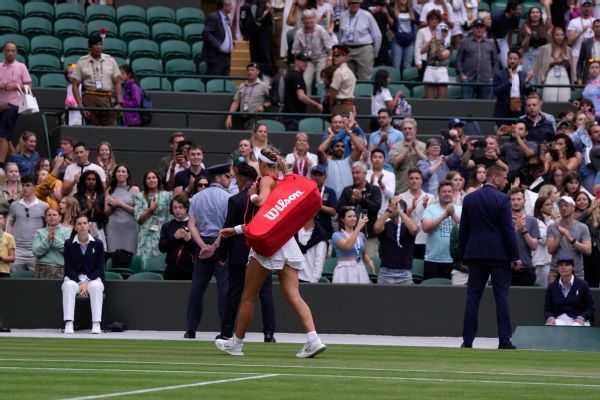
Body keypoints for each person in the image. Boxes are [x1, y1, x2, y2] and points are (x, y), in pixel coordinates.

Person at [216, 147, 327, 358]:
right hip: (286, 242)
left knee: (248, 296)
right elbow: (267, 220)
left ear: (262, 163)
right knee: (293, 294)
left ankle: (236, 343)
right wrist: (237, 230)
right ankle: (314, 339)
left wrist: (253, 195)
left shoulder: (266, 180)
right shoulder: (285, 181)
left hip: (269, 247)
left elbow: (263, 204)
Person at [459, 165, 519, 349]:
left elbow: (464, 230)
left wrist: (463, 255)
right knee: (501, 297)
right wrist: (515, 255)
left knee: (473, 296)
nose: (506, 181)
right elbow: (508, 230)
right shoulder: (502, 199)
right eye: (504, 178)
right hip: (499, 255)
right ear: (495, 178)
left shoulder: (469, 199)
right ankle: (504, 340)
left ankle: (467, 340)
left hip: (475, 254)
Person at [217, 163, 276, 341]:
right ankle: (269, 333)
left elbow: (228, 228)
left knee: (234, 292)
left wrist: (221, 255)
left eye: (236, 176)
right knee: (265, 292)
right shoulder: (267, 199)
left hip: (239, 253)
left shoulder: (236, 200)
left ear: (242, 178)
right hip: (261, 250)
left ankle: (227, 332)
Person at [185, 163, 232, 339]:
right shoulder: (229, 198)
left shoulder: (197, 198)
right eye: (227, 176)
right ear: (219, 178)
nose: (229, 179)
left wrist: (203, 245)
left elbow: (191, 225)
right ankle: (225, 331)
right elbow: (227, 226)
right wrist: (214, 246)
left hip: (202, 244)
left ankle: (191, 329)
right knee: (224, 289)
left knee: (197, 288)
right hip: (220, 245)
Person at [62, 214, 105, 335]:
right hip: (74, 279)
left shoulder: (98, 244)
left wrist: (87, 281)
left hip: (93, 279)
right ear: (75, 227)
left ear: (89, 226)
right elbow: (68, 268)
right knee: (68, 286)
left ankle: (96, 324)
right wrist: (80, 282)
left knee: (96, 287)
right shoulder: (69, 244)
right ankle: (69, 323)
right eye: (79, 224)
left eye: (85, 223)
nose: (82, 226)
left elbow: (100, 268)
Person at [71, 34, 122, 126]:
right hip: (90, 97)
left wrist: (119, 102)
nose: (99, 47)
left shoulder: (110, 60)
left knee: (110, 127)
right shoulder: (82, 61)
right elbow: (75, 85)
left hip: (107, 97)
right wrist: (80, 105)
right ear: (90, 46)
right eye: (96, 45)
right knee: (92, 128)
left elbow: (117, 82)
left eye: (100, 44)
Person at [337, 162, 382, 259]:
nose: (354, 175)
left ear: (365, 173)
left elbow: (376, 207)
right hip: (349, 237)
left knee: (370, 267)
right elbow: (340, 210)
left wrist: (362, 200)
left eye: (357, 173)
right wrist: (352, 202)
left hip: (369, 237)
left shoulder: (374, 190)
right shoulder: (347, 190)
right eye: (353, 173)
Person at [317, 114, 365, 198]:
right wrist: (331, 136)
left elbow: (360, 149)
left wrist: (349, 131)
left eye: (342, 147)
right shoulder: (326, 162)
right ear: (331, 149)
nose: (340, 148)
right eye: (337, 146)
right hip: (330, 200)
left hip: (347, 201)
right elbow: (320, 150)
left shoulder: (348, 161)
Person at [373, 195, 418, 285]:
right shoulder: (385, 225)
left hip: (404, 274)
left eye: (391, 206)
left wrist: (399, 212)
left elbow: (414, 230)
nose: (389, 208)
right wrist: (389, 210)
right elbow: (376, 228)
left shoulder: (407, 226)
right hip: (385, 273)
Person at [0, 41, 32, 167]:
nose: (10, 53)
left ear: (16, 53)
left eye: (13, 51)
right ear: (4, 52)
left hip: (13, 104)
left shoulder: (21, 66)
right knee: (5, 137)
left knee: (3, 135)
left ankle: (1, 165)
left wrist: (14, 86)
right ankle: (14, 161)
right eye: (8, 50)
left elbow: (29, 86)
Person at [7, 175, 48, 272]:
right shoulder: (14, 205)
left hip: (35, 250)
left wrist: (42, 245)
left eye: (28, 185)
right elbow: (10, 223)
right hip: (18, 250)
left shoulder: (44, 206)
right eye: (23, 185)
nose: (25, 188)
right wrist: (10, 245)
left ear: (35, 187)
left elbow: (48, 226)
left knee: (36, 282)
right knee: (14, 280)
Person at [546, 195, 592, 282]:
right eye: (560, 206)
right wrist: (560, 235)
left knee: (577, 296)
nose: (563, 208)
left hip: (576, 272)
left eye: (566, 205)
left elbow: (588, 250)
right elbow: (550, 250)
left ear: (573, 207)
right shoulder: (552, 227)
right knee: (553, 295)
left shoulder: (583, 227)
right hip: (556, 272)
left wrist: (570, 238)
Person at [422, 181, 462, 280]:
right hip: (433, 259)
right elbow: (426, 228)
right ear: (438, 194)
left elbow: (466, 228)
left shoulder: (461, 209)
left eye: (449, 191)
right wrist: (444, 216)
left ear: (453, 194)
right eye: (444, 192)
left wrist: (453, 215)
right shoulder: (430, 209)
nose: (447, 193)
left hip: (454, 260)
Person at [134, 170, 172, 270]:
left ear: (158, 180)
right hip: (145, 233)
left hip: (162, 232)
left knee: (160, 260)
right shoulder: (140, 196)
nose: (151, 180)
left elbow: (170, 216)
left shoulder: (167, 195)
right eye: (148, 178)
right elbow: (138, 219)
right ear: (145, 181)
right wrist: (150, 210)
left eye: (154, 177)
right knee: (144, 259)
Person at [291, 8, 333, 95]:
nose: (308, 20)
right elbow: (296, 51)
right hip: (307, 60)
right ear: (302, 20)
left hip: (321, 58)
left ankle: (322, 101)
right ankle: (308, 103)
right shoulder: (299, 33)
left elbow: (330, 47)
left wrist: (329, 60)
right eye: (305, 19)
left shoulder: (320, 30)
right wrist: (298, 64)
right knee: (306, 81)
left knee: (320, 81)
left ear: (314, 19)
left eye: (310, 18)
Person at [544, 257, 595, 326]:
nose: (563, 267)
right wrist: (550, 318)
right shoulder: (552, 287)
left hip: (578, 320)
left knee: (576, 326)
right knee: (550, 327)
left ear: (573, 268)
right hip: (559, 320)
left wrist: (582, 318)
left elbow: (591, 308)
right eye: (561, 265)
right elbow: (547, 309)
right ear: (558, 268)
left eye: (567, 265)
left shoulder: (582, 285)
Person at [338, 0, 382, 81]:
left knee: (364, 78)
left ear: (359, 4)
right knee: (346, 78)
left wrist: (374, 53)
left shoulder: (367, 15)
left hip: (364, 49)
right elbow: (341, 34)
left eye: (356, 3)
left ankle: (363, 93)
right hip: (347, 49)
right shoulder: (343, 15)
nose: (354, 5)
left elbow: (377, 35)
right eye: (352, 3)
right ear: (348, 4)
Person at [456, 18, 498, 99]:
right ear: (473, 29)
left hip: (486, 78)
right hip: (468, 78)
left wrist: (492, 76)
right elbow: (459, 59)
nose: (479, 30)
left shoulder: (490, 43)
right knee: (466, 106)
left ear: (484, 29)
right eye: (477, 27)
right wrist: (461, 74)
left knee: (485, 106)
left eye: (481, 27)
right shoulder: (464, 42)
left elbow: (495, 61)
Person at [104, 164, 139, 260]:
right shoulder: (109, 190)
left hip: (130, 228)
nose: (121, 173)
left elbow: (137, 211)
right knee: (114, 255)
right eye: (118, 171)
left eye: (123, 172)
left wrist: (120, 204)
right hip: (113, 228)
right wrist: (112, 206)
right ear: (115, 174)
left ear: (127, 175)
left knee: (130, 255)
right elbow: (106, 212)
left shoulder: (134, 189)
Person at [332, 206, 374, 284]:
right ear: (342, 219)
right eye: (349, 216)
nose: (353, 218)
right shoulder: (337, 235)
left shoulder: (361, 235)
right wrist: (358, 227)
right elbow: (348, 246)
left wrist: (370, 262)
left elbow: (362, 253)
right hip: (344, 270)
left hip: (359, 269)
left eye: (354, 216)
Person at [399, 168, 435, 260]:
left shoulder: (430, 197)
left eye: (417, 178)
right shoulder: (401, 197)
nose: (414, 181)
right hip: (406, 239)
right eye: (411, 178)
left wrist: (425, 206)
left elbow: (433, 219)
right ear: (408, 180)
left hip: (425, 239)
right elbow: (399, 220)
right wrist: (411, 209)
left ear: (421, 181)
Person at [282, 53, 324, 131]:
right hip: (294, 116)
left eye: (307, 61)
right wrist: (317, 105)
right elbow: (301, 96)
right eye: (303, 61)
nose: (306, 63)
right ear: (296, 62)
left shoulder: (289, 74)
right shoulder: (297, 76)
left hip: (287, 114)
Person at [158, 194, 195, 281]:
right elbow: (162, 248)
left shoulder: (195, 225)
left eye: (180, 207)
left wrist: (189, 240)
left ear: (186, 208)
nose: (177, 210)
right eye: (175, 207)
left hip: (191, 268)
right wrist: (174, 237)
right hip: (171, 268)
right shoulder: (167, 226)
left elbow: (200, 249)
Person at [531, 27, 572, 103]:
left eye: (562, 35)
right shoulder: (545, 48)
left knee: (564, 98)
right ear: (553, 36)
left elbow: (571, 67)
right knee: (550, 97)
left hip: (564, 74)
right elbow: (538, 64)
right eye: (557, 35)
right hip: (550, 73)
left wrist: (565, 63)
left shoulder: (568, 49)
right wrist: (552, 63)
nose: (560, 37)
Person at [509, 188, 540, 286]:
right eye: (513, 199)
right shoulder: (502, 220)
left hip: (526, 269)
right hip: (506, 268)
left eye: (519, 199)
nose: (516, 202)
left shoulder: (532, 221)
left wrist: (523, 230)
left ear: (524, 200)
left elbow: (534, 246)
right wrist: (515, 229)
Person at [225, 63, 271, 129]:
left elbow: (272, 100)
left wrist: (263, 106)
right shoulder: (242, 85)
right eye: (248, 70)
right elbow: (235, 102)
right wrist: (229, 116)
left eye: (253, 70)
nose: (250, 72)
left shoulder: (263, 86)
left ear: (258, 72)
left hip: (256, 118)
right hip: (242, 117)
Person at [389, 118, 427, 194]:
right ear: (402, 131)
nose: (407, 131)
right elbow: (395, 163)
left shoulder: (423, 146)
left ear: (415, 130)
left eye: (410, 128)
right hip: (400, 190)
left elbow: (428, 163)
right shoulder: (396, 147)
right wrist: (407, 149)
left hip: (420, 191)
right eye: (405, 129)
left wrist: (416, 148)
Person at [32, 208, 71, 279]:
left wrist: (54, 239)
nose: (52, 217)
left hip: (60, 268)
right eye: (49, 215)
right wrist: (47, 240)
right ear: (45, 218)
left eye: (54, 215)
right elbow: (36, 251)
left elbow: (69, 250)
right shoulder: (39, 232)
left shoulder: (67, 231)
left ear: (60, 217)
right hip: (42, 268)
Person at [493, 51, 529, 125]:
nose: (512, 61)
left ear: (519, 61)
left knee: (517, 133)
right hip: (503, 111)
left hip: (519, 110)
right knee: (504, 134)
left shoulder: (524, 75)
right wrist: (509, 81)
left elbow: (528, 93)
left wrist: (527, 84)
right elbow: (496, 91)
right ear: (507, 60)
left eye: (515, 59)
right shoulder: (499, 75)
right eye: (510, 58)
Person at [74, 170, 107, 250]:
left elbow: (105, 217)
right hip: (82, 226)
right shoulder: (77, 196)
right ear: (84, 181)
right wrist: (87, 209)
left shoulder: (101, 196)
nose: (91, 182)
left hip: (98, 227)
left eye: (93, 179)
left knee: (100, 251)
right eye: (88, 179)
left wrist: (96, 208)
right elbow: (75, 216)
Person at [203, 0, 234, 76]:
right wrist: (218, 44)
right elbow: (206, 33)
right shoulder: (214, 17)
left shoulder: (227, 18)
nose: (232, 7)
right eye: (230, 5)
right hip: (216, 56)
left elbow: (226, 33)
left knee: (225, 82)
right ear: (224, 6)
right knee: (215, 81)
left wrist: (232, 44)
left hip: (226, 57)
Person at [566, 0, 595, 81]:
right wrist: (582, 31)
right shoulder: (573, 22)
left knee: (592, 81)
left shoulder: (595, 21)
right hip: (576, 55)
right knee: (576, 80)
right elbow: (569, 42)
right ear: (580, 8)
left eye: (589, 6)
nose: (587, 8)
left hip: (592, 56)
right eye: (584, 6)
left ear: (592, 8)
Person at [422, 22, 451, 99]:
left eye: (445, 31)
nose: (443, 33)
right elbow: (422, 51)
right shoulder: (431, 42)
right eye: (441, 31)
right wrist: (431, 41)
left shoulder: (448, 45)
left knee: (441, 100)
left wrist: (438, 46)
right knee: (429, 100)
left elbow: (441, 56)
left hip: (441, 70)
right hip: (430, 69)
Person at [519, 6, 550, 75]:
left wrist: (548, 36)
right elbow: (523, 47)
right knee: (526, 76)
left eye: (537, 12)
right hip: (528, 53)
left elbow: (549, 45)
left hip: (542, 54)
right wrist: (528, 36)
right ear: (529, 15)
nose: (535, 14)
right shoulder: (524, 26)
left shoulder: (545, 27)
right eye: (533, 12)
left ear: (540, 14)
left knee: (540, 76)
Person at [490, 1, 521, 69]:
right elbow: (488, 30)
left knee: (507, 64)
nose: (519, 11)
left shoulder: (516, 18)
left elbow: (511, 32)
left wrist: (509, 48)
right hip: (491, 39)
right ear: (511, 10)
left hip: (503, 40)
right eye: (517, 9)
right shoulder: (496, 17)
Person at [296, 216, 328, 283]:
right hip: (292, 279)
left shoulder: (320, 235)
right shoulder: (294, 231)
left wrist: (314, 281)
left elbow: (319, 261)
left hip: (309, 280)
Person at [327, 45, 357, 115]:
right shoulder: (350, 72)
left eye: (338, 55)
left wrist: (330, 107)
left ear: (344, 57)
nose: (335, 58)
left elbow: (332, 93)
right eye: (334, 55)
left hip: (340, 106)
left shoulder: (339, 72)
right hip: (349, 105)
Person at [310, 165, 337, 240]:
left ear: (325, 177)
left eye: (320, 175)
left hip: (326, 233)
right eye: (315, 175)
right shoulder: (306, 191)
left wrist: (318, 205)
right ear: (311, 176)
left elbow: (333, 212)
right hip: (309, 233)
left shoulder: (330, 191)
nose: (317, 177)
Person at [366, 149, 395, 216]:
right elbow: (364, 195)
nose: (377, 159)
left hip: (384, 214)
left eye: (380, 157)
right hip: (368, 213)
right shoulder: (366, 174)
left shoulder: (390, 175)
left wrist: (381, 183)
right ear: (371, 159)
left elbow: (391, 196)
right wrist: (371, 183)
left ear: (384, 160)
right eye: (375, 157)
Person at [532, 196, 553, 287]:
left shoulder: (550, 221)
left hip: (550, 262)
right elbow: (544, 240)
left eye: (551, 204)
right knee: (542, 292)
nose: (551, 207)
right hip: (540, 263)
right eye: (547, 204)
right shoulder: (535, 222)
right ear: (540, 208)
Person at [391, 0, 416, 73]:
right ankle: (395, 84)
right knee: (396, 64)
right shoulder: (393, 10)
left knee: (407, 65)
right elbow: (395, 18)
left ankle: (405, 84)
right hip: (398, 40)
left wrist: (410, 8)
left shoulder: (411, 10)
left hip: (409, 41)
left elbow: (413, 19)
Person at [576, 18, 600, 84]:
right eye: (596, 27)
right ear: (592, 28)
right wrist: (579, 78)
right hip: (589, 78)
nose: (598, 29)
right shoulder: (586, 42)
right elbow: (580, 62)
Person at [0, 213, 15, 278]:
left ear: (4, 221)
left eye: (0, 218)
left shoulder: (9, 237)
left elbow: (13, 258)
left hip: (4, 272)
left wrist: (1, 258)